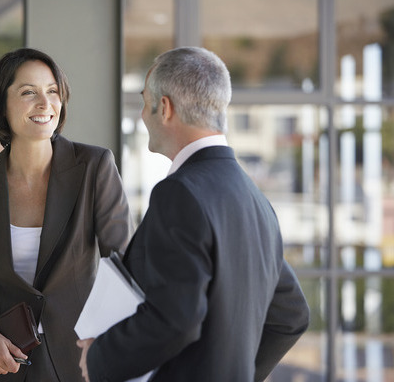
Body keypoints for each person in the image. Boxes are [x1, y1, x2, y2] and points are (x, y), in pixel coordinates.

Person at [77, 47, 310, 382]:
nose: (143, 114)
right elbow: (291, 315)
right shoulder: (256, 200)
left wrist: (98, 358)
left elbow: (177, 319)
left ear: (166, 107)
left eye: (146, 101)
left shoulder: (179, 193)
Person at [0, 48, 133, 382]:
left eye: (53, 92)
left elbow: (122, 268)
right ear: (1, 104)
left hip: (80, 362)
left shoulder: (94, 167)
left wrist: (109, 342)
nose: (45, 104)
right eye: (28, 92)